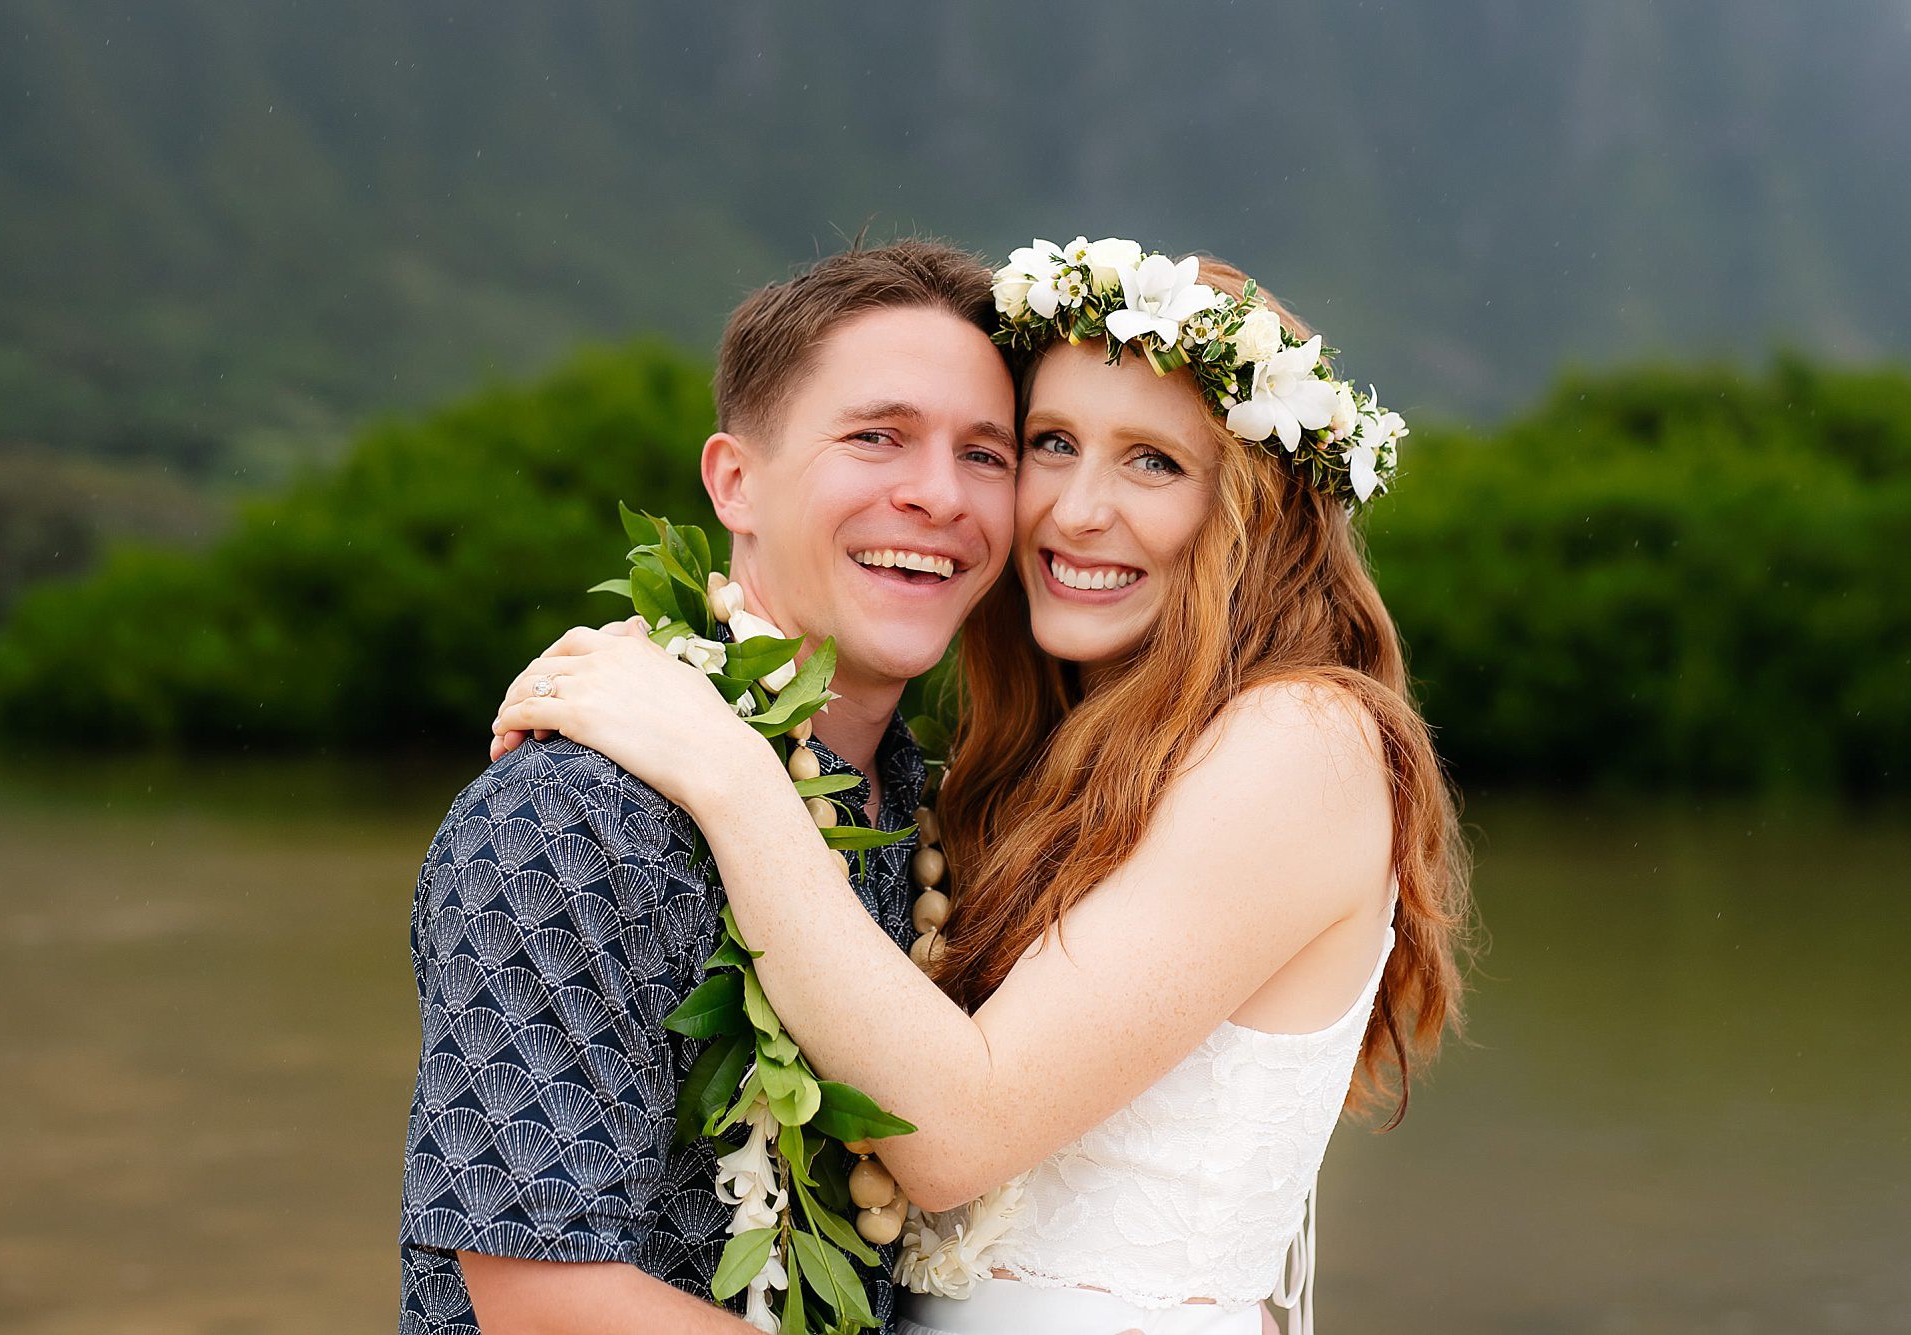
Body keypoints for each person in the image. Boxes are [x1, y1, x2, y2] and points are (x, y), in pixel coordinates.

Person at [491, 239, 1472, 1335]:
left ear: (1251, 506)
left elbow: (959, 1133)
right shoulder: (1008, 775)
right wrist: (691, 687)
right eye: (1050, 445)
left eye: (1151, 461)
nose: (1075, 511)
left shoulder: (1302, 741)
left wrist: (718, 758)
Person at [399, 239, 1022, 1334]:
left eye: (986, 454)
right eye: (876, 437)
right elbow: (544, 1300)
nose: (936, 495)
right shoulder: (576, 811)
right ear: (734, 480)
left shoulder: (936, 822)